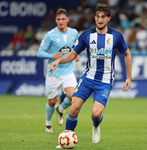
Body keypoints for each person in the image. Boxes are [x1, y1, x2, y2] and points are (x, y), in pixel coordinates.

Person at [49, 3, 132, 144]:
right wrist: (58, 61)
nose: (100, 20)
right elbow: (72, 54)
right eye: (98, 17)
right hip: (88, 78)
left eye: (103, 17)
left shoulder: (116, 36)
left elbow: (127, 54)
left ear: (108, 18)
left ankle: (96, 124)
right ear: (94, 17)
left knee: (96, 113)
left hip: (105, 80)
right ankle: (67, 139)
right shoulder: (87, 35)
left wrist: (129, 77)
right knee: (74, 108)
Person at [37, 8, 80, 133]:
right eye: (58, 19)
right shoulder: (50, 35)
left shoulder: (74, 32)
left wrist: (76, 54)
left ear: (67, 20)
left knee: (73, 97)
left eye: (63, 19)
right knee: (52, 101)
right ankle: (48, 123)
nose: (61, 22)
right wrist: (52, 56)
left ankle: (61, 109)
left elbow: (76, 46)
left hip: (68, 72)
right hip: (53, 72)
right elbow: (39, 53)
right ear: (56, 20)